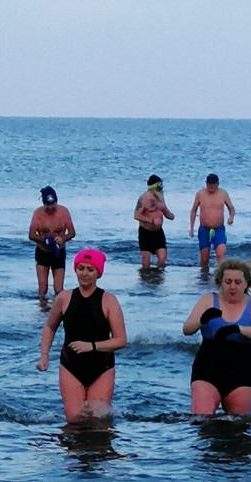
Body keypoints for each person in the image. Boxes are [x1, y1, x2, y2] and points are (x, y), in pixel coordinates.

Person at [37, 249, 127, 422]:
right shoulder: (64, 298)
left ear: (98, 273)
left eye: (90, 269)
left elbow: (121, 340)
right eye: (81, 268)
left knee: (97, 420)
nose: (84, 273)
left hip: (102, 368)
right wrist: (44, 356)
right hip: (70, 366)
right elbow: (50, 326)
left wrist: (91, 346)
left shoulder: (109, 300)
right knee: (74, 420)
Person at [182, 258, 251, 414]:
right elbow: (187, 329)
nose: (232, 286)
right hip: (207, 369)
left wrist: (236, 329)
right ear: (220, 282)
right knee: (202, 420)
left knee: (239, 427)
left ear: (246, 283)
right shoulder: (208, 300)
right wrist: (202, 320)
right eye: (227, 282)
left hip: (241, 370)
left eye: (237, 282)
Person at [28, 186, 76, 299]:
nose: (50, 208)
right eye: (47, 205)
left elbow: (72, 232)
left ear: (56, 201)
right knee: (43, 289)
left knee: (58, 289)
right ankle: (42, 310)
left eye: (52, 204)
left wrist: (63, 238)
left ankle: (59, 310)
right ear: (43, 203)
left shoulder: (63, 212)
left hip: (58, 253)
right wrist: (43, 239)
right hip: (42, 252)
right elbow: (31, 235)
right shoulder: (38, 214)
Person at [189, 173, 235, 268]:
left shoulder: (223, 194)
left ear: (218, 184)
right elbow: (194, 210)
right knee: (204, 258)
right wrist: (191, 228)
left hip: (218, 229)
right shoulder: (200, 194)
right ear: (206, 183)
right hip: (204, 229)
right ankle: (203, 278)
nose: (211, 186)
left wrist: (231, 217)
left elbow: (232, 209)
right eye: (209, 184)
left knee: (221, 253)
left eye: (213, 184)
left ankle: (220, 276)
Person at [135, 174, 175, 269]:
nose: (162, 188)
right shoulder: (144, 198)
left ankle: (158, 277)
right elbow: (136, 215)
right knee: (146, 261)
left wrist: (171, 216)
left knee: (162, 258)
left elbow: (164, 211)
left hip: (158, 232)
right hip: (145, 232)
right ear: (155, 186)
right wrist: (152, 221)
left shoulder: (160, 198)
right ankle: (145, 279)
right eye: (160, 186)